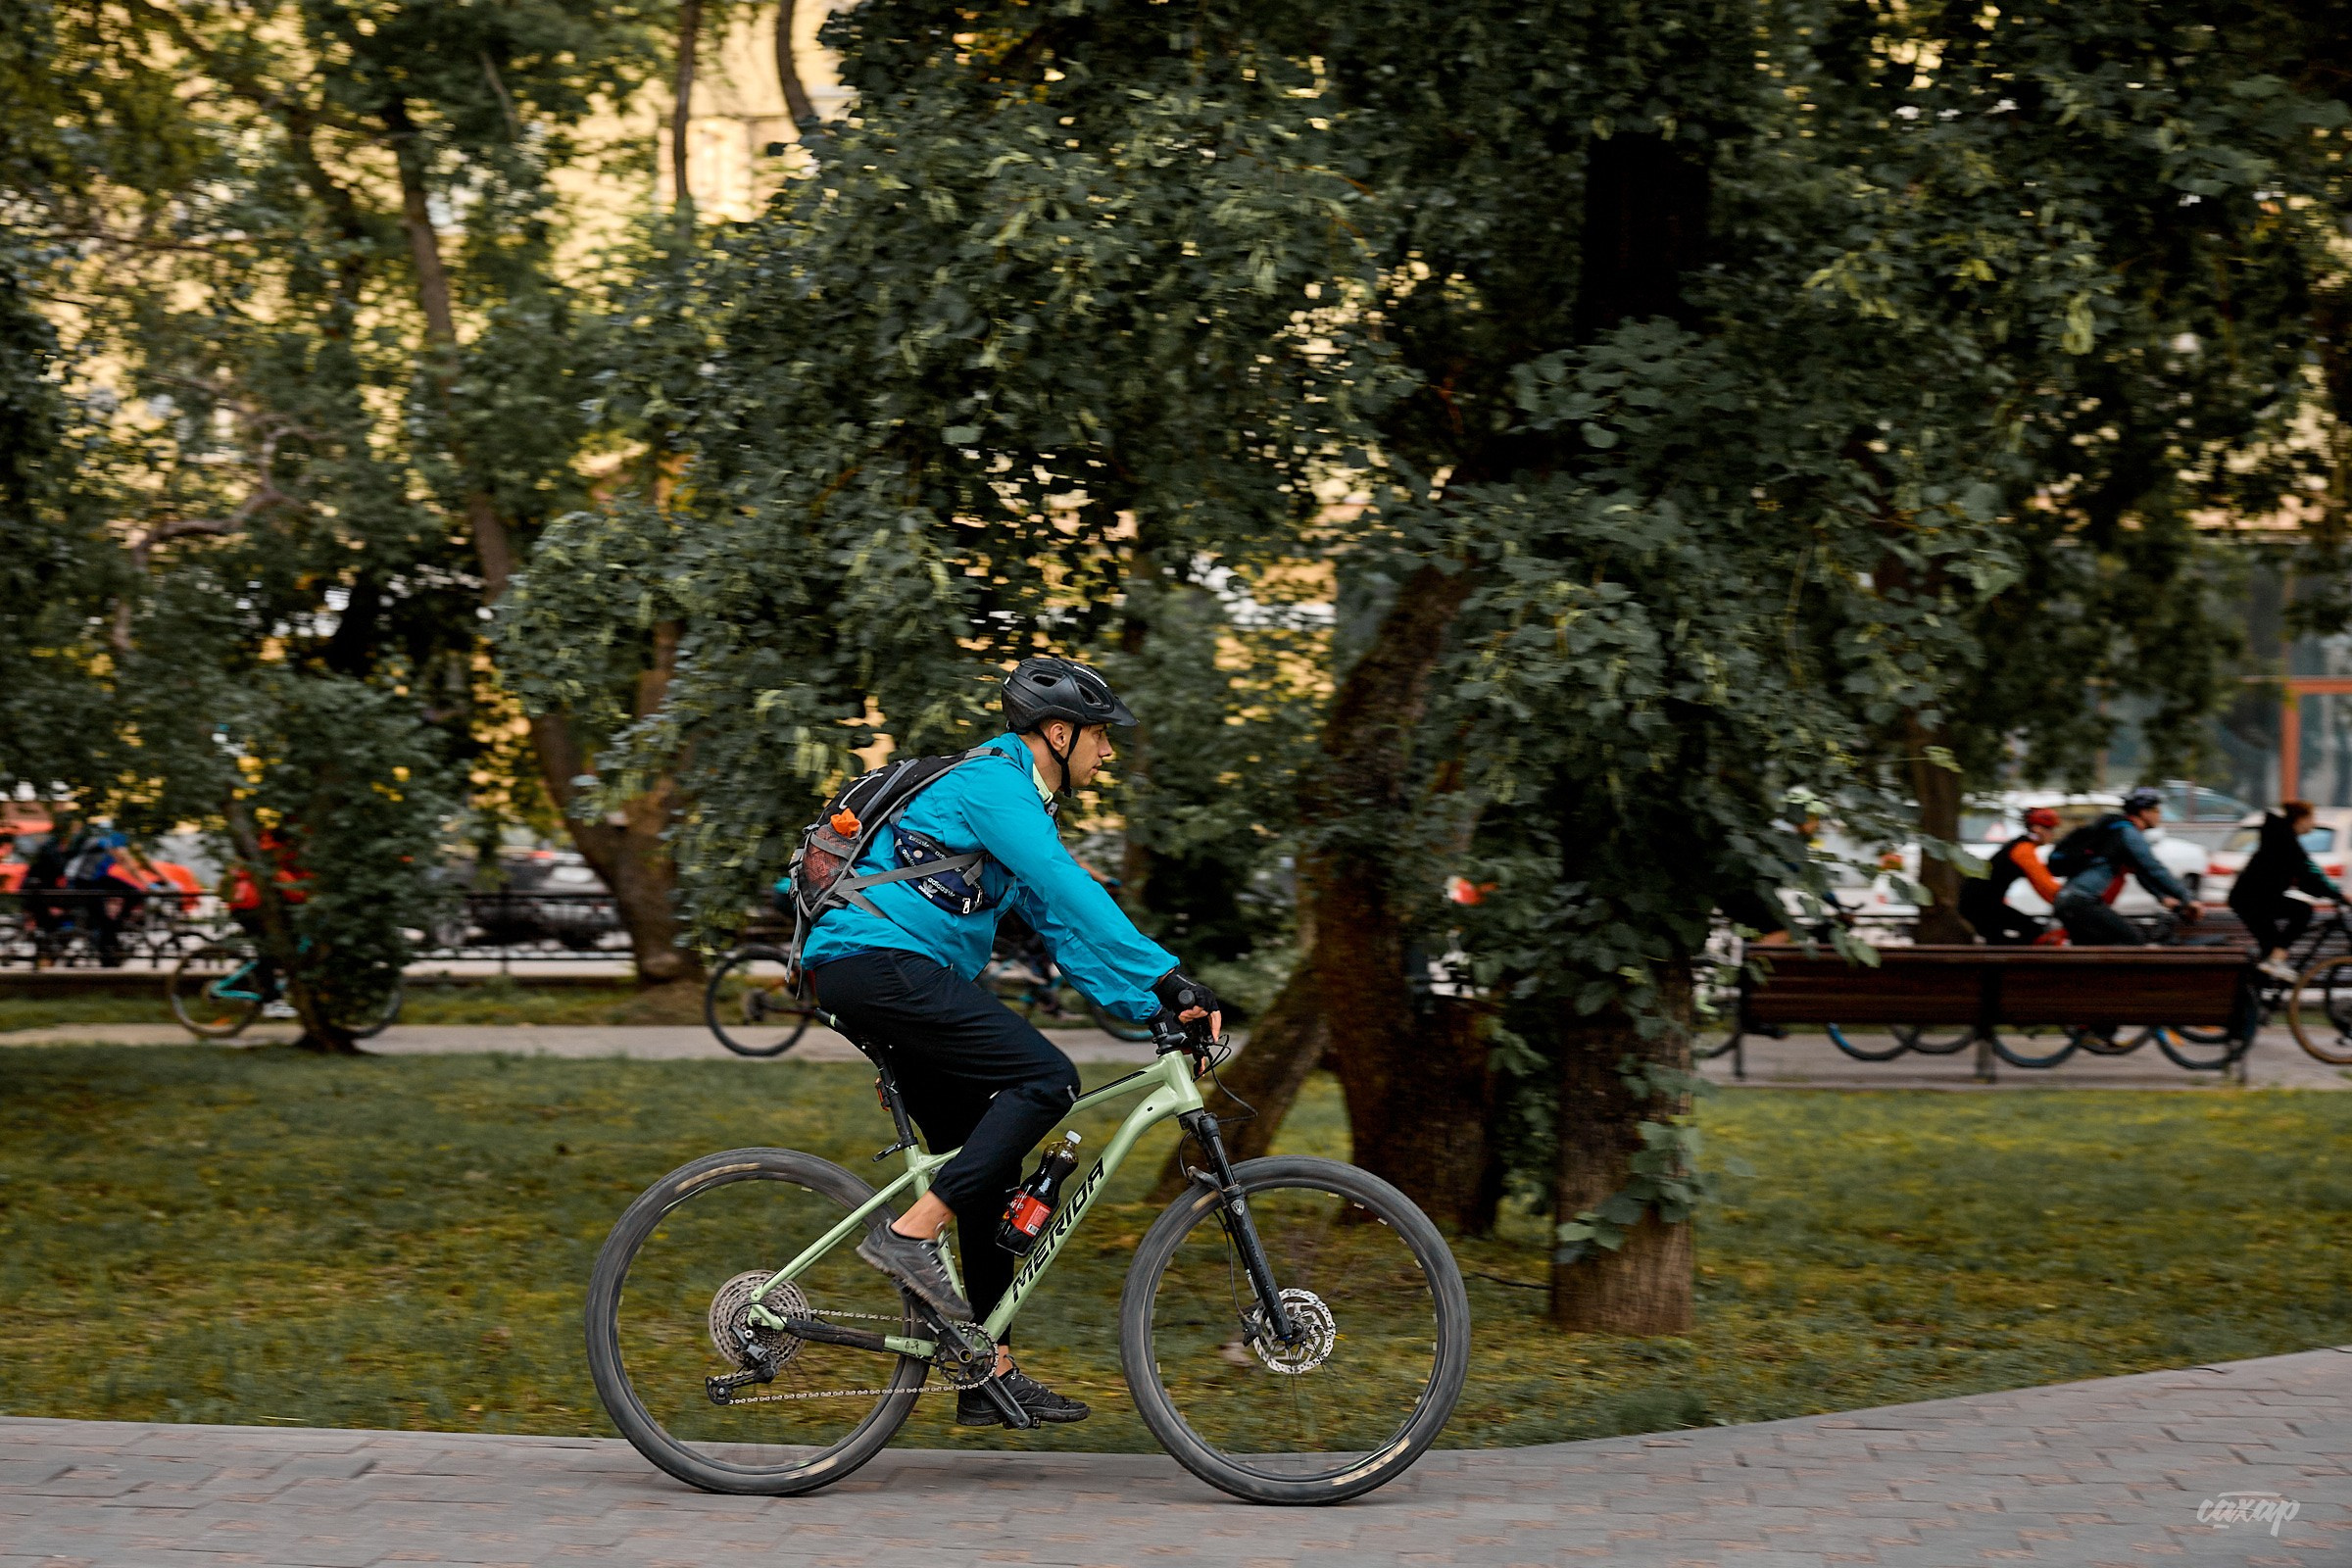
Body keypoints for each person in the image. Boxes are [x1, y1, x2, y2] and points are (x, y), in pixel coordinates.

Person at [803, 657, 1221, 1428]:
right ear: (1056, 733)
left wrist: (1151, 1006)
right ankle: (907, 1235)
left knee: (985, 1171)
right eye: (1100, 737)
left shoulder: (1014, 810)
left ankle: (982, 1371)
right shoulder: (994, 785)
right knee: (1046, 1080)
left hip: (889, 973)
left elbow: (1061, 926)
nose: (1108, 753)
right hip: (878, 964)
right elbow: (1068, 885)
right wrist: (1169, 975)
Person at [2050, 786, 2197, 947]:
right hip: (2081, 902)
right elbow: (2154, 868)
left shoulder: (2116, 832)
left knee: (2091, 950)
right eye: (2155, 809)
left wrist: (2162, 897)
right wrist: (2187, 898)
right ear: (2143, 812)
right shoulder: (2128, 833)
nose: (2159, 814)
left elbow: (2140, 873)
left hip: (2067, 900)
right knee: (2132, 940)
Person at [2228, 800, 2341, 983]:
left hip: (2250, 899)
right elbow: (2308, 870)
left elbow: (2304, 879)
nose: (2313, 823)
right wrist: (2339, 894)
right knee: (2303, 911)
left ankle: (2257, 997)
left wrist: (2327, 892)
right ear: (2301, 819)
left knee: (2270, 949)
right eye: (2311, 818)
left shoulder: (2281, 836)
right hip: (2253, 900)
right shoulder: (2285, 840)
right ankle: (2270, 969)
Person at [1958, 807, 2063, 945]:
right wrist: (2065, 899)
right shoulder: (2023, 851)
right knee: (2033, 930)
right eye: (2050, 830)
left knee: (2012, 935)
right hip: (1980, 905)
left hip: (1979, 903)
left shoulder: (2021, 846)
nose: (2052, 834)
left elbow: (2041, 882)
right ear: (2037, 829)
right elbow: (2043, 884)